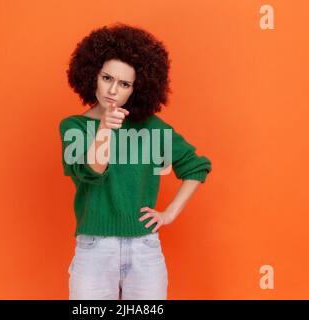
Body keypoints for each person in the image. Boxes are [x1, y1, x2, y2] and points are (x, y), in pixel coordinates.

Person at [59, 22, 212, 300]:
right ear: (92, 75)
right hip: (94, 249)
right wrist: (104, 127)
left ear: (136, 89)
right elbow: (90, 171)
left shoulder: (152, 128)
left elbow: (196, 166)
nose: (113, 90)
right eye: (107, 78)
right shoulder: (74, 127)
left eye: (124, 84)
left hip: (144, 249)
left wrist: (169, 214)